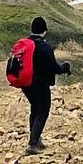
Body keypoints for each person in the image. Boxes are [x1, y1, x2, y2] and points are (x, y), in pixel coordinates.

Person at [21, 16, 70, 154]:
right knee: (43, 110)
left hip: (26, 84)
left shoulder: (25, 44)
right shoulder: (44, 47)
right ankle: (33, 143)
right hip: (40, 84)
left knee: (35, 109)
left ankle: (36, 138)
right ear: (44, 31)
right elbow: (54, 67)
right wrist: (64, 68)